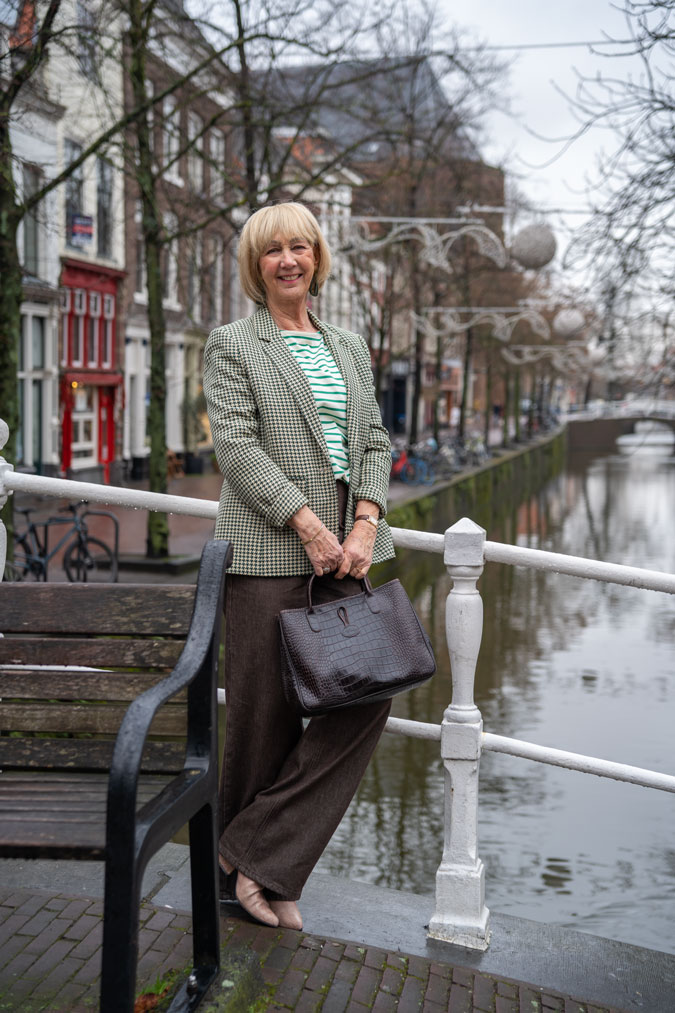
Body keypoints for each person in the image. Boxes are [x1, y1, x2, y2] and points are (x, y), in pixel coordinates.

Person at [203, 201, 395, 931]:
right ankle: (247, 881)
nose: (288, 259)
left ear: (317, 257)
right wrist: (310, 526)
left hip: (347, 552)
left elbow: (373, 440)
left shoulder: (347, 345)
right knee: (262, 719)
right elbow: (238, 449)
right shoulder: (232, 343)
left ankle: (248, 855)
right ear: (256, 266)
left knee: (367, 696)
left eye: (300, 247)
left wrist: (364, 521)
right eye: (272, 250)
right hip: (266, 551)